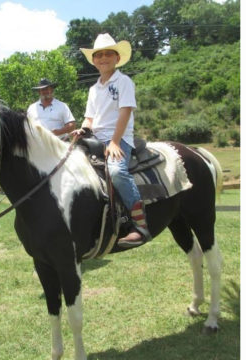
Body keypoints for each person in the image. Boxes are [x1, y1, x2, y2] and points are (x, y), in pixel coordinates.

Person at [73, 33, 151, 248]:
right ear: (94, 60)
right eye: (99, 55)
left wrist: (115, 141)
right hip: (95, 139)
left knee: (116, 172)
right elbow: (90, 117)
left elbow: (125, 112)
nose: (103, 58)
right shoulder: (93, 88)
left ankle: (140, 225)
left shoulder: (124, 81)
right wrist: (84, 128)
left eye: (108, 54)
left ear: (117, 58)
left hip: (119, 138)